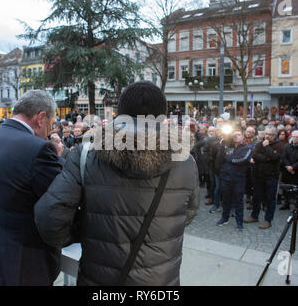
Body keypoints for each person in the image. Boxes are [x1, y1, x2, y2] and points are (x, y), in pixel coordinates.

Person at [34, 81, 200, 286]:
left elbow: (50, 216)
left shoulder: (87, 154)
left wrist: (84, 231)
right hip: (160, 280)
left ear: (120, 113)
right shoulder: (185, 160)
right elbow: (189, 212)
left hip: (100, 278)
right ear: (163, 115)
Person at [0, 90, 63, 286]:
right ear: (41, 118)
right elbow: (58, 199)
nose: (50, 131)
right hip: (22, 262)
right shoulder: (37, 148)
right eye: (51, 124)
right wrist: (59, 158)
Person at [244, 127, 283, 229]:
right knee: (256, 196)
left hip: (271, 176)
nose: (267, 136)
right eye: (266, 134)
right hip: (258, 175)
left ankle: (268, 220)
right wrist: (266, 158)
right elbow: (255, 155)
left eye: (270, 134)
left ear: (275, 136)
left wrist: (267, 148)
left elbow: (275, 158)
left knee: (270, 199)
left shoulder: (279, 145)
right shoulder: (259, 144)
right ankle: (254, 216)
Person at [215, 129, 252, 230]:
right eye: (234, 135)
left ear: (243, 137)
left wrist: (229, 158)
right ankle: (224, 218)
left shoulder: (247, 148)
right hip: (226, 177)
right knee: (226, 200)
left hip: (238, 179)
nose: (236, 136)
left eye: (239, 135)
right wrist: (222, 147)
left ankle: (239, 222)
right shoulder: (227, 146)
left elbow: (242, 159)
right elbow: (221, 158)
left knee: (238, 201)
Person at [279, 130, 298, 211]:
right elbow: (284, 157)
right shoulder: (286, 146)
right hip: (287, 170)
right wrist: (288, 167)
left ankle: (296, 205)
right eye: (294, 137)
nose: (295, 138)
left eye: (297, 137)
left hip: (296, 172)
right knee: (286, 188)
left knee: (296, 189)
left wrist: (293, 167)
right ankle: (286, 203)